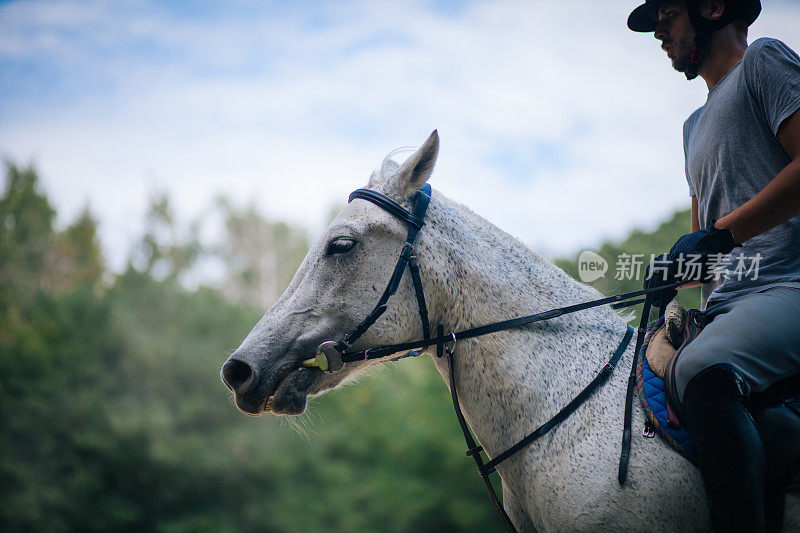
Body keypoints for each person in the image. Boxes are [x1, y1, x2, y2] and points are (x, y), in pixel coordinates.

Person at [628, 0, 800, 531]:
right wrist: (674, 271)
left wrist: (718, 236)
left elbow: (720, 234)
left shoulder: (764, 63)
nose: (658, 30)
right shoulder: (693, 126)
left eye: (667, 14)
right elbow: (706, 249)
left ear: (710, 8)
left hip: (789, 286)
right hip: (730, 307)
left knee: (700, 370)